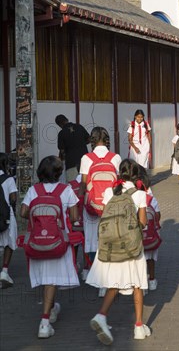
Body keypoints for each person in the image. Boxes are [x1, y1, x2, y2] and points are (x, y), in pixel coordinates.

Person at [86, 159, 150, 344]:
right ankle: (139, 326)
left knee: (114, 283)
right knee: (137, 284)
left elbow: (105, 216)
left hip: (111, 245)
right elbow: (143, 223)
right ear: (136, 174)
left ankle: (102, 315)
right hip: (132, 246)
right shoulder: (139, 194)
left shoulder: (109, 192)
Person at [20, 156, 79, 339]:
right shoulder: (66, 190)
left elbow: (23, 213)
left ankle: (52, 308)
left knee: (47, 280)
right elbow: (75, 217)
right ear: (59, 173)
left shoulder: (33, 190)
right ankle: (44, 323)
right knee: (52, 279)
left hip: (38, 242)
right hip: (58, 242)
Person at [79, 127, 121, 281]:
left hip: (91, 206)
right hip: (110, 206)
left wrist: (80, 200)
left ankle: (91, 272)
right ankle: (108, 275)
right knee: (109, 238)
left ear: (92, 140)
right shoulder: (115, 157)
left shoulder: (86, 158)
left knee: (91, 239)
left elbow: (83, 184)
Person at [136, 166, 161, 291]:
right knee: (150, 258)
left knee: (139, 260)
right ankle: (152, 280)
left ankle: (141, 284)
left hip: (137, 236)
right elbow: (158, 216)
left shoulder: (133, 199)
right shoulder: (152, 199)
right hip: (151, 235)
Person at [0, 153, 17, 288]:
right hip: (6, 215)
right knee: (9, 242)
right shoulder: (9, 179)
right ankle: (4, 271)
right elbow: (13, 198)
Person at [55, 115, 90, 182]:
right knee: (86, 184)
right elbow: (89, 139)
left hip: (71, 164)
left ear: (59, 125)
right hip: (84, 162)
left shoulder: (61, 133)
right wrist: (81, 144)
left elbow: (62, 151)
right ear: (67, 119)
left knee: (73, 185)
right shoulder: (79, 127)